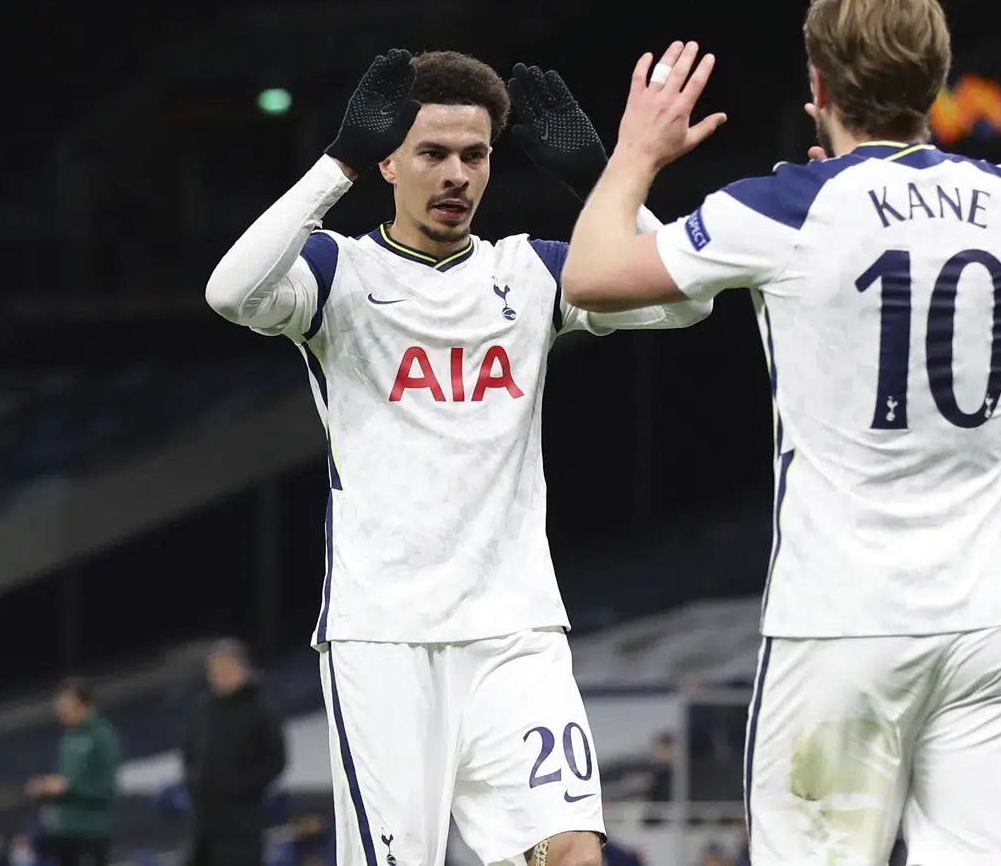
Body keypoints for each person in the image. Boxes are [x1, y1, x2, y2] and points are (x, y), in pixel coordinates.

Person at [561, 0, 1001, 866]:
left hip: (842, 630)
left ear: (819, 87)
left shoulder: (788, 207)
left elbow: (593, 276)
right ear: (937, 78)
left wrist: (640, 151)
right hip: (992, 623)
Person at [204, 49, 711, 866]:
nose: (456, 174)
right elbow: (231, 292)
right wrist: (333, 163)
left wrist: (606, 182)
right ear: (389, 160)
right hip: (386, 638)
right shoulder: (340, 274)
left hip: (516, 629)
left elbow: (685, 298)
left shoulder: (534, 270)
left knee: (575, 852)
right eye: (433, 153)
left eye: (474, 155)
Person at [182, 639, 288, 866]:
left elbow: (276, 760)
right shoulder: (203, 708)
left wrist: (242, 788)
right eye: (215, 671)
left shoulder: (260, 708)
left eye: (225, 670)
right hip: (205, 816)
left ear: (242, 670)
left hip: (242, 819)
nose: (219, 676)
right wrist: (193, 780)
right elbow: (188, 750)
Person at [26, 680, 122, 866]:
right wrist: (45, 789)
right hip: (63, 831)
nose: (59, 712)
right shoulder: (68, 738)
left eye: (64, 707)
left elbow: (106, 787)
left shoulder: (103, 736)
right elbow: (65, 780)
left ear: (83, 705)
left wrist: (68, 788)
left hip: (91, 831)